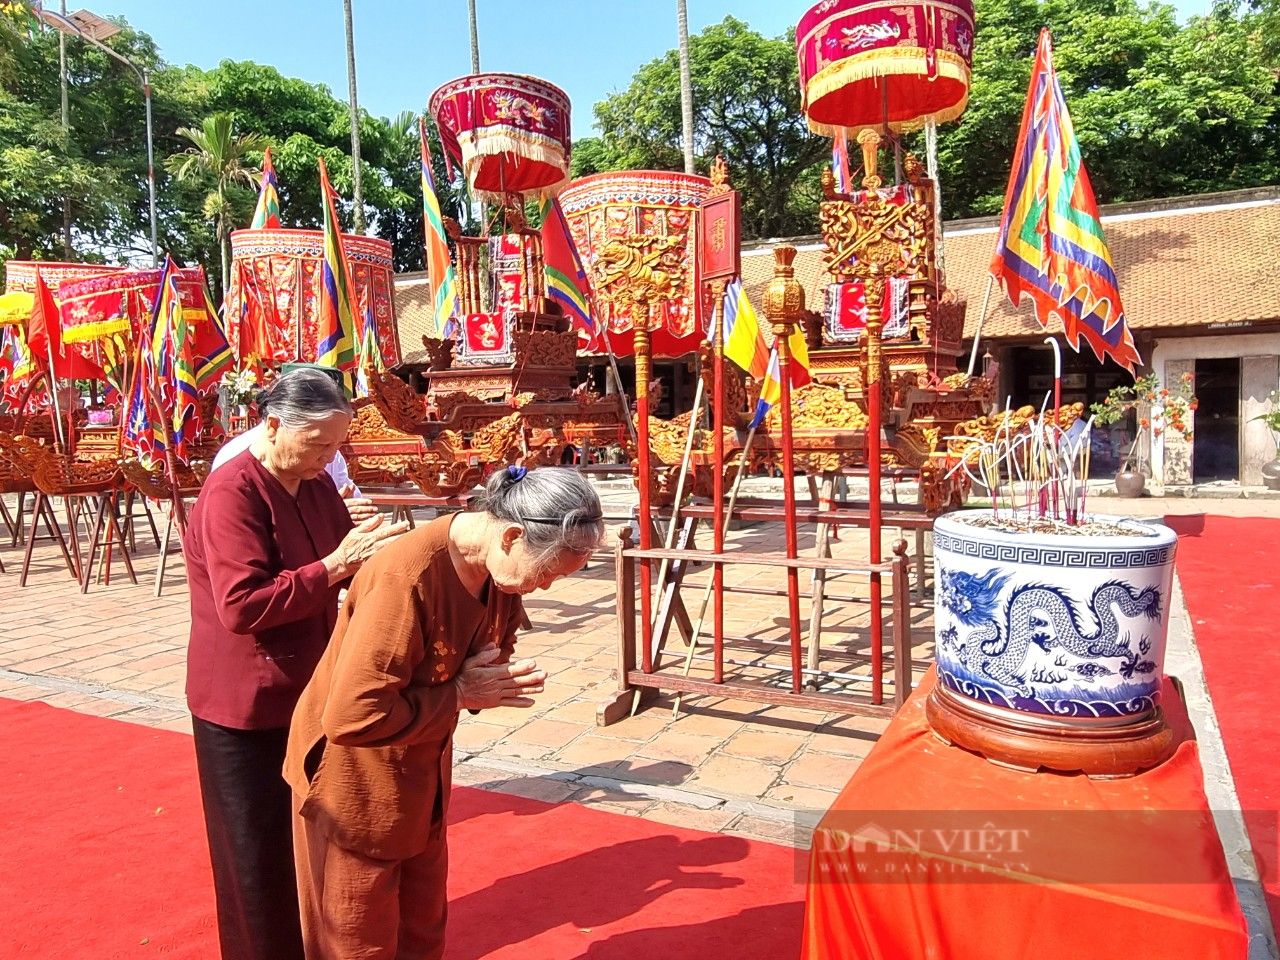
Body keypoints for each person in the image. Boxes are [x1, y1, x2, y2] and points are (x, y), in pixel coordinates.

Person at [283, 465, 605, 960]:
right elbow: (351, 715)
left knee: (423, 929)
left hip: (421, 772)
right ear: (511, 536)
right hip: (352, 781)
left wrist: (487, 677)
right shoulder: (406, 576)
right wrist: (459, 694)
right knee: (355, 938)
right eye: (545, 574)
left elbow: (493, 641)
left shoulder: (498, 572)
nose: (543, 588)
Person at [185, 368, 408, 960]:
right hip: (244, 703)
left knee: (314, 843)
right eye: (318, 446)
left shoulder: (312, 483)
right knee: (256, 860)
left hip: (312, 690)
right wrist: (335, 565)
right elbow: (241, 605)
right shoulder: (232, 490)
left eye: (336, 447)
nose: (327, 460)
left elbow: (350, 559)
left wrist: (394, 554)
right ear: (274, 423)